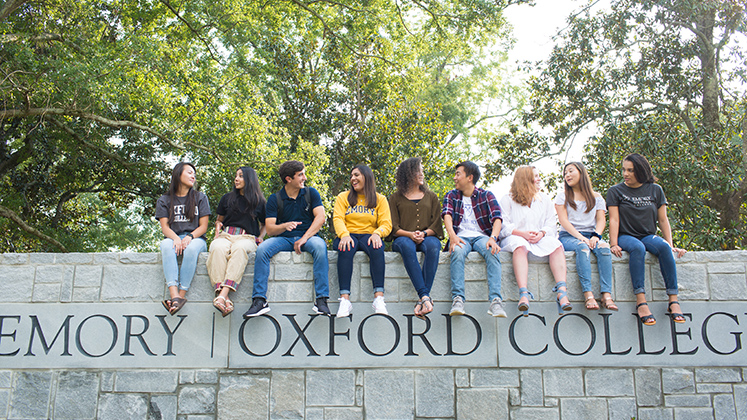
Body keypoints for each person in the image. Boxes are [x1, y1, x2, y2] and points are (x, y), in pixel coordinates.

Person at [607, 153, 687, 326]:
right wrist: (613, 243)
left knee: (664, 248)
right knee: (638, 248)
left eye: (630, 170)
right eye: (624, 170)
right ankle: (641, 301)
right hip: (626, 237)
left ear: (641, 171)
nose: (625, 174)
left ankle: (673, 301)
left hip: (648, 235)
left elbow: (663, 220)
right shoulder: (616, 191)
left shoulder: (655, 190)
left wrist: (670, 244)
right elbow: (613, 219)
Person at [243, 160, 331, 317]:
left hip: (308, 238)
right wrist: (285, 226)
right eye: (300, 175)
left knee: (320, 246)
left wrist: (304, 238)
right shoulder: (275, 199)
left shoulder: (311, 193)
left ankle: (322, 300)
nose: (304, 177)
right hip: (284, 239)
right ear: (289, 179)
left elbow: (321, 218)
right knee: (262, 249)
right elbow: (270, 229)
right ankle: (259, 300)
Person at [500, 166, 572, 316]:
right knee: (520, 246)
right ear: (525, 179)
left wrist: (542, 233)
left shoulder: (544, 199)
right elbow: (504, 225)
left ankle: (562, 291)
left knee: (556, 245)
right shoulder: (507, 199)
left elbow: (551, 224)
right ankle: (524, 293)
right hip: (516, 236)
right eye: (536, 176)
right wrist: (522, 234)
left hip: (539, 237)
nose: (539, 179)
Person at [441, 161, 505, 317]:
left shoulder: (486, 195)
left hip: (481, 237)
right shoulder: (451, 195)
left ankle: (496, 301)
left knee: (492, 251)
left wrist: (493, 238)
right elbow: (447, 215)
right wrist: (452, 236)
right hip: (460, 237)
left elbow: (497, 218)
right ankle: (458, 299)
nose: (455, 178)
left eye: (458, 174)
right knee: (456, 251)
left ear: (469, 177)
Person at [555, 162, 617, 311]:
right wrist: (581, 238)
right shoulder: (562, 196)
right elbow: (563, 221)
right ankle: (588, 294)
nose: (567, 175)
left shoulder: (596, 197)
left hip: (591, 234)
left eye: (571, 171)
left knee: (603, 248)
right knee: (582, 248)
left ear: (581, 173)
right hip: (569, 236)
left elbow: (601, 219)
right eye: (565, 173)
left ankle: (606, 295)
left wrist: (596, 236)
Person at [333, 164, 392, 317]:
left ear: (367, 177)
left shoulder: (380, 199)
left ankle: (379, 298)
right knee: (345, 248)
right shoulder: (343, 197)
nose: (353, 178)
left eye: (357, 175)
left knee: (377, 248)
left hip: (369, 235)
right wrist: (344, 235)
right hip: (348, 234)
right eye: (352, 176)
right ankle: (345, 299)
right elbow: (338, 218)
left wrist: (378, 233)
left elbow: (387, 223)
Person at [207, 167, 266, 317]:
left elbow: (265, 223)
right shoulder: (227, 198)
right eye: (236, 176)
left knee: (239, 250)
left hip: (247, 237)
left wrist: (261, 237)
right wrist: (216, 233)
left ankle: (222, 294)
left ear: (249, 179)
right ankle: (224, 298)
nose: (236, 179)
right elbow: (219, 220)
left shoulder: (259, 201)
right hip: (226, 235)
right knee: (216, 248)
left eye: (241, 176)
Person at [389, 158, 443, 317]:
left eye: (422, 170)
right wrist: (410, 234)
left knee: (434, 246)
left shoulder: (431, 196)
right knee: (406, 245)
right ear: (408, 173)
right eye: (418, 170)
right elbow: (393, 227)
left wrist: (425, 233)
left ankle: (423, 299)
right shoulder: (395, 198)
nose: (422, 173)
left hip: (428, 237)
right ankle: (425, 297)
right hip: (403, 238)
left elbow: (437, 225)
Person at [155, 162, 211, 315]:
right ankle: (174, 296)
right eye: (189, 172)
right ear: (178, 174)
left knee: (191, 249)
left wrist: (189, 237)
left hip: (196, 239)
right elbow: (165, 227)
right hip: (173, 238)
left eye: (194, 173)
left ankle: (181, 296)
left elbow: (203, 227)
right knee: (166, 245)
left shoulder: (200, 197)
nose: (193, 176)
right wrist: (176, 239)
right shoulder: (164, 200)